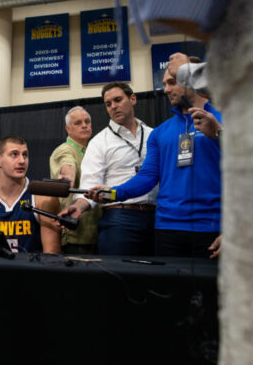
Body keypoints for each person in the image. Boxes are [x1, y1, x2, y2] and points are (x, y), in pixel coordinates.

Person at [67, 55, 222, 259]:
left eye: (172, 82)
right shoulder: (160, 133)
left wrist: (219, 133)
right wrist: (112, 193)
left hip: (212, 227)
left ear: (193, 79)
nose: (166, 89)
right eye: (165, 83)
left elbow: (250, 173)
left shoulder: (225, 118)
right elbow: (147, 177)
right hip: (167, 228)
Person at [59, 83, 157, 256]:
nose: (113, 106)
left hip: (157, 217)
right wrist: (79, 207)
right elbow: (89, 188)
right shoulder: (99, 142)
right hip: (120, 218)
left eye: (118, 100)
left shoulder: (154, 135)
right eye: (108, 103)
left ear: (132, 99)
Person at [0, 136, 61, 254]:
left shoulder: (43, 198)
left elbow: (51, 254)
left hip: (30, 270)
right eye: (14, 154)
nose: (22, 161)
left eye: (25, 155)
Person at [49, 106, 101, 254]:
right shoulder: (64, 150)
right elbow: (67, 165)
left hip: (98, 233)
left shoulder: (94, 151)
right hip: (76, 236)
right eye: (78, 123)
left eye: (87, 121)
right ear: (68, 129)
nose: (84, 125)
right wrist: (67, 177)